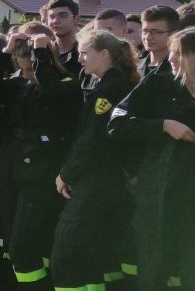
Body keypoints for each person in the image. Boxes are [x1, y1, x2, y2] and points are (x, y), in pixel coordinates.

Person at [108, 26, 195, 290]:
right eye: (172, 52)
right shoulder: (157, 84)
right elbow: (118, 124)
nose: (171, 58)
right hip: (159, 192)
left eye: (179, 53)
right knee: (153, 269)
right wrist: (163, 125)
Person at [0, 21, 81, 288]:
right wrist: (5, 52)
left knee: (24, 245)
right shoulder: (18, 83)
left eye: (32, 69)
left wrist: (41, 56)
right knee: (15, 242)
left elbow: (51, 94)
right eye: (22, 69)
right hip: (12, 166)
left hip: (41, 170)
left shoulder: (64, 81)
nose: (27, 75)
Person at [51, 30, 140, 291]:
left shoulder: (111, 88)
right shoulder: (107, 84)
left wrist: (65, 174)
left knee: (69, 251)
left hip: (96, 181)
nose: (79, 59)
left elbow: (92, 140)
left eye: (84, 52)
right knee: (90, 254)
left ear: (104, 54)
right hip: (100, 180)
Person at [43, 0, 81, 76]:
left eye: (62, 16)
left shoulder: (85, 53)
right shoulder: (44, 52)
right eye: (51, 16)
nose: (55, 21)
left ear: (76, 19)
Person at [139, 5, 179, 78]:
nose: (148, 37)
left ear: (174, 34)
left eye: (156, 32)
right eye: (145, 31)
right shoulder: (133, 68)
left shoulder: (179, 69)